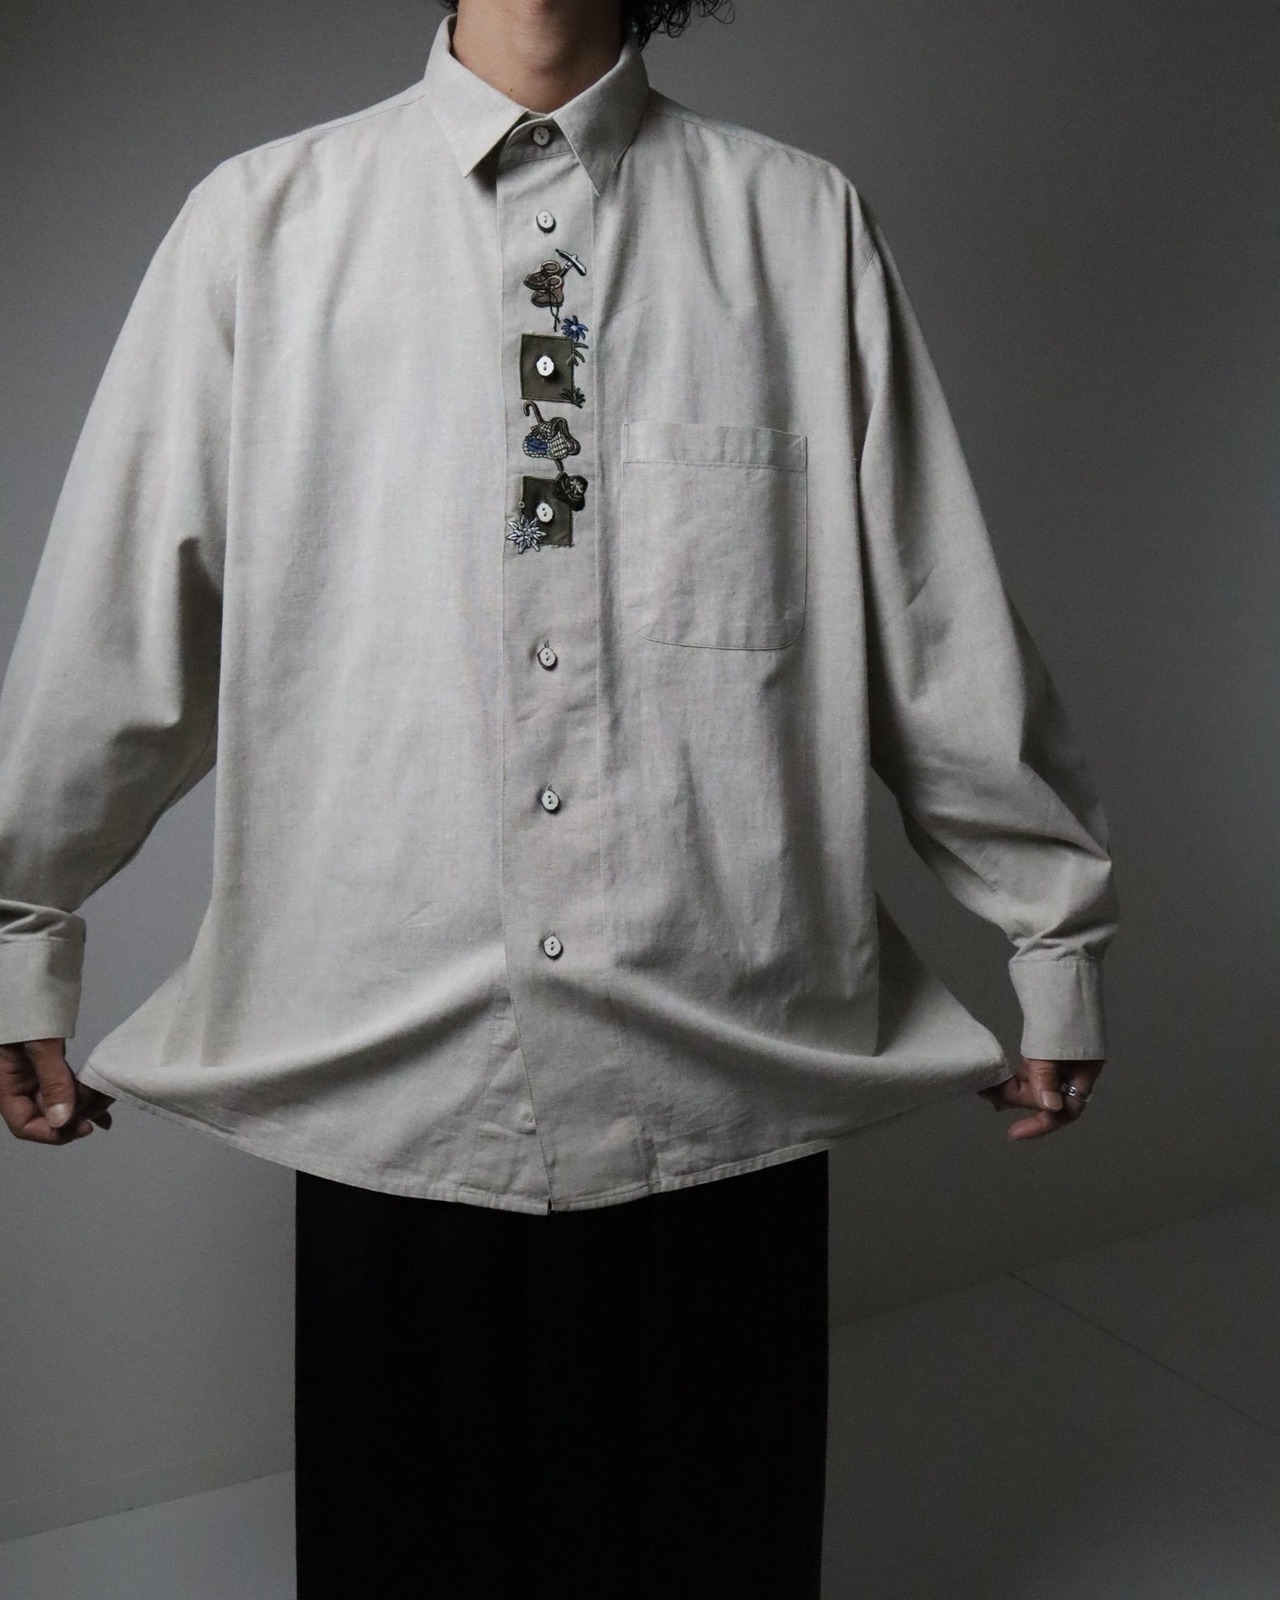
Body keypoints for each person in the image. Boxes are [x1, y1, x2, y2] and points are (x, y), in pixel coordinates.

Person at [0, 0, 1118, 1594]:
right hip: (392, 1055)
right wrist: (22, 926)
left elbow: (929, 618)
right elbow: (125, 614)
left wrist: (1052, 930)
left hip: (721, 1050)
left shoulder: (794, 222)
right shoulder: (262, 224)